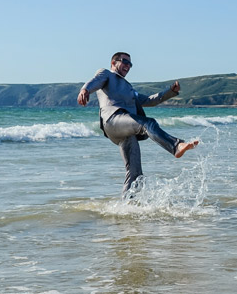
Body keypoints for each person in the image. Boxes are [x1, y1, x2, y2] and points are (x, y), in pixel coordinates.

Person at [78, 52, 198, 197]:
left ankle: (127, 206)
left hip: (126, 129)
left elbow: (149, 100)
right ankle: (176, 146)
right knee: (148, 123)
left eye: (130, 64)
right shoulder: (106, 74)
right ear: (113, 63)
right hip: (113, 119)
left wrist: (170, 92)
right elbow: (95, 81)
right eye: (125, 62)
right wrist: (85, 89)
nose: (128, 66)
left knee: (135, 173)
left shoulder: (129, 88)